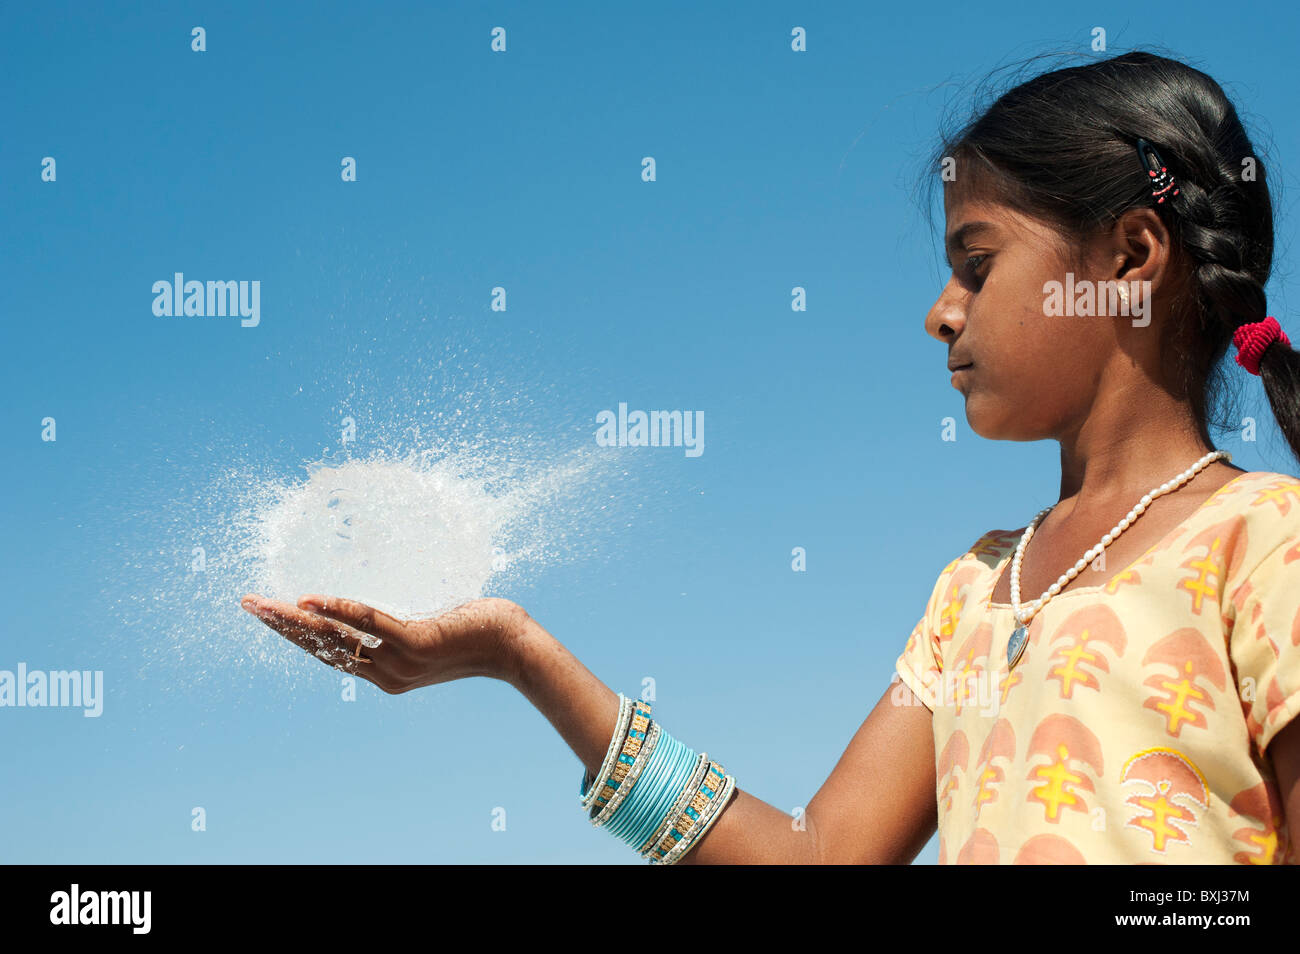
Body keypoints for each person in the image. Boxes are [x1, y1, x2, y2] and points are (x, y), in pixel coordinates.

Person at [240, 50, 1300, 864]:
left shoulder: (1266, 545)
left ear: (1126, 258)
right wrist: (521, 657)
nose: (940, 315)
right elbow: (817, 854)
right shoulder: (974, 593)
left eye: (975, 266)